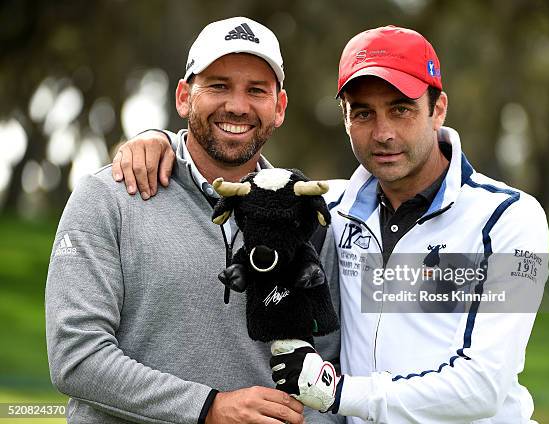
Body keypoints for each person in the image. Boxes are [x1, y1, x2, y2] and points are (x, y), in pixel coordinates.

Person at [116, 26, 549, 423]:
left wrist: (338, 393)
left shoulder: (512, 219)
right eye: (362, 113)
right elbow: (240, 174)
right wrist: (158, 140)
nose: (382, 133)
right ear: (344, 117)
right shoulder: (329, 208)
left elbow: (485, 386)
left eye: (401, 110)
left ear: (438, 109)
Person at [46, 17, 343, 424]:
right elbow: (77, 357)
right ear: (184, 97)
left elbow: (326, 364)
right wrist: (210, 408)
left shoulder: (309, 217)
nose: (237, 105)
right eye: (218, 86)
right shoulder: (107, 198)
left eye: (256, 90)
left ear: (280, 108)